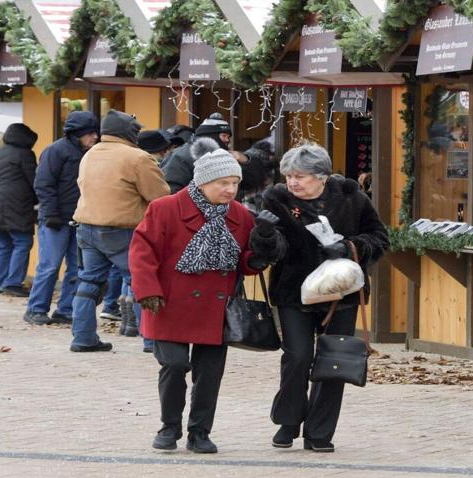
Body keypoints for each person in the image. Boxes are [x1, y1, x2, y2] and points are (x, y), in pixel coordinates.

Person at [129, 149, 272, 452]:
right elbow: (143, 253)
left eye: (235, 183)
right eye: (223, 182)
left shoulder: (241, 216)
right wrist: (148, 291)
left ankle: (200, 432)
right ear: (203, 182)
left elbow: (242, 262)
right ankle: (169, 427)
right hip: (167, 303)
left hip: (216, 307)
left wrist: (260, 254)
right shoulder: (165, 209)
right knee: (174, 364)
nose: (230, 190)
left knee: (209, 373)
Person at [253, 144, 389, 452]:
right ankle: (288, 421)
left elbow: (379, 238)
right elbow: (271, 252)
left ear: (322, 177)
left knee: (334, 362)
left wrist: (349, 248)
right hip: (293, 291)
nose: (293, 183)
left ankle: (319, 432)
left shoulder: (352, 197)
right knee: (298, 357)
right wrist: (262, 233)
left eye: (300, 176)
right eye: (288, 176)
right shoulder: (277, 199)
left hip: (340, 294)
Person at [68, 110, 169, 353]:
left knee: (89, 283)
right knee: (140, 282)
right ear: (129, 132)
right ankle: (151, 340)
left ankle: (83, 338)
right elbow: (160, 197)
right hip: (124, 230)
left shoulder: (89, 154)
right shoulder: (137, 157)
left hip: (87, 228)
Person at [25, 110, 99, 325]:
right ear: (77, 134)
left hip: (79, 218)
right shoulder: (56, 151)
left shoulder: (90, 153)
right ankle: (36, 309)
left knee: (76, 269)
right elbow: (43, 184)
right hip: (55, 220)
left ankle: (65, 309)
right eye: (90, 133)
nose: (94, 137)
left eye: (95, 133)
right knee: (49, 266)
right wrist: (51, 214)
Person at [0, 122, 39, 299]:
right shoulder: (24, 154)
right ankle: (13, 283)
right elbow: (34, 180)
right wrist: (41, 199)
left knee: (3, 245)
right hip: (15, 203)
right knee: (22, 242)